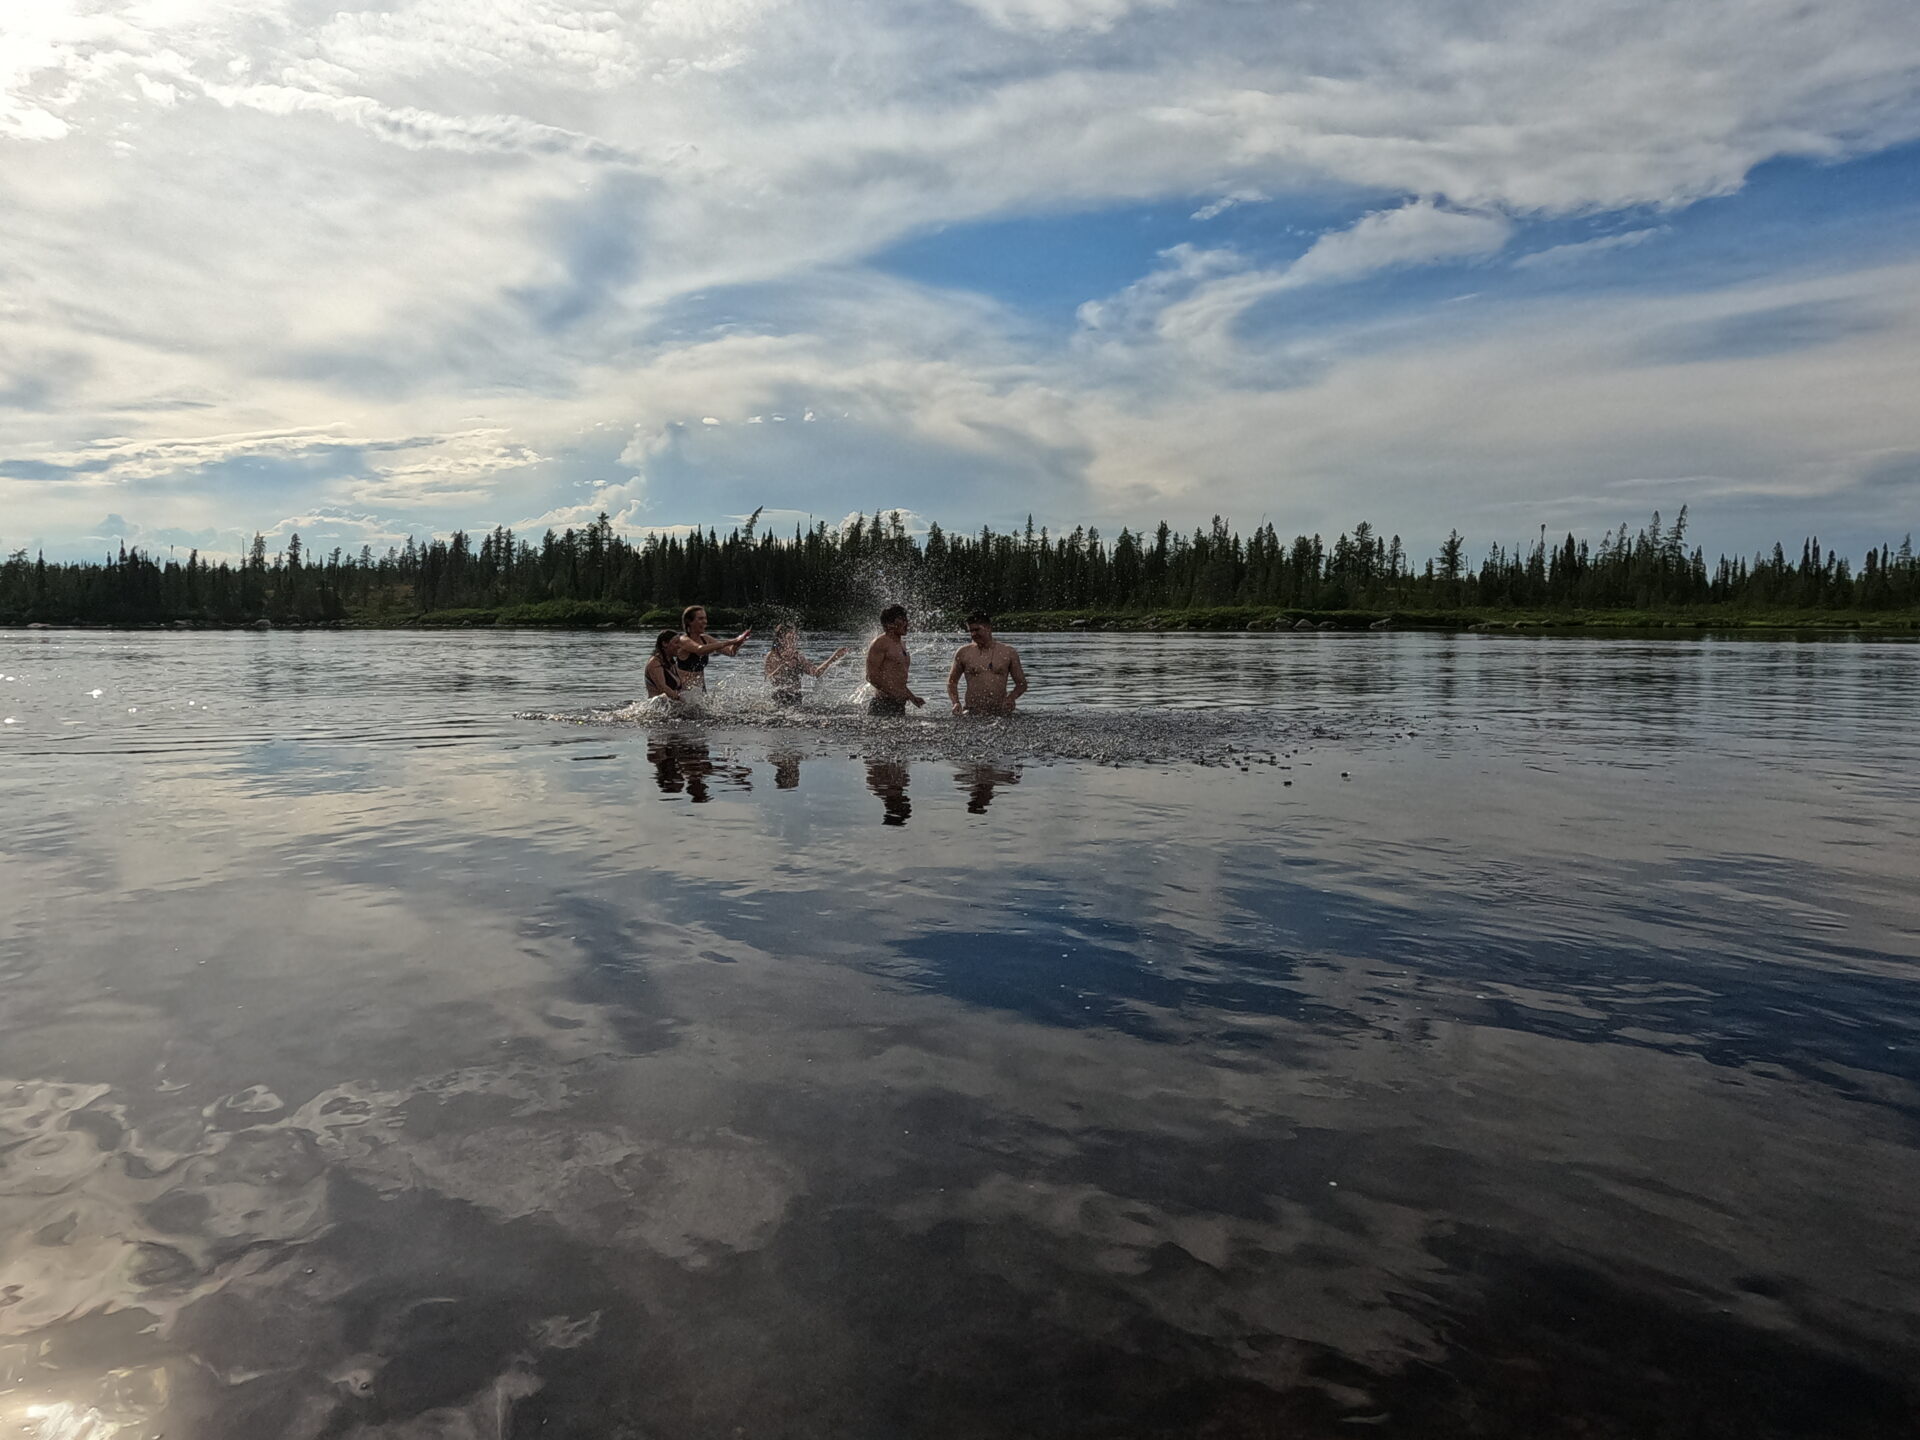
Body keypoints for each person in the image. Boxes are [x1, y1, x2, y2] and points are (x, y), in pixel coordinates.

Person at [946, 611, 1028, 716]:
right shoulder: (963, 652)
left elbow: (1021, 684)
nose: (973, 634)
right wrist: (955, 702)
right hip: (972, 712)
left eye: (977, 630)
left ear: (988, 628)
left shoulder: (1008, 652)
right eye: (971, 631)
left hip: (1000, 712)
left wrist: (1011, 698)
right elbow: (952, 682)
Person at [764, 624, 850, 707]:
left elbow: (816, 673)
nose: (794, 641)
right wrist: (783, 667)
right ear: (781, 639)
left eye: (795, 638)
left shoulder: (797, 656)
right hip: (778, 697)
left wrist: (834, 658)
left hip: (796, 697)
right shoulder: (772, 656)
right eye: (790, 638)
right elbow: (769, 679)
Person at [672, 605, 751, 693]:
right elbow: (700, 649)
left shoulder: (706, 639)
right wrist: (732, 641)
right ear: (689, 622)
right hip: (683, 692)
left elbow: (730, 652)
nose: (705, 622)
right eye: (700, 619)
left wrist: (738, 643)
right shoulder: (683, 640)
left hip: (700, 692)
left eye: (705, 618)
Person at [863, 604, 925, 717]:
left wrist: (912, 697)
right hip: (882, 704)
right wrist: (895, 693)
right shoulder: (880, 643)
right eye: (902, 619)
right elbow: (871, 676)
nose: (907, 623)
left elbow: (897, 679)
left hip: (898, 704)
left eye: (906, 619)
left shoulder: (902, 644)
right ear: (889, 624)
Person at [644, 629, 687, 702]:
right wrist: (682, 700)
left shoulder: (671, 662)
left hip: (669, 705)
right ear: (664, 643)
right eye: (676, 643)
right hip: (656, 707)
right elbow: (662, 688)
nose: (680, 646)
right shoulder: (654, 662)